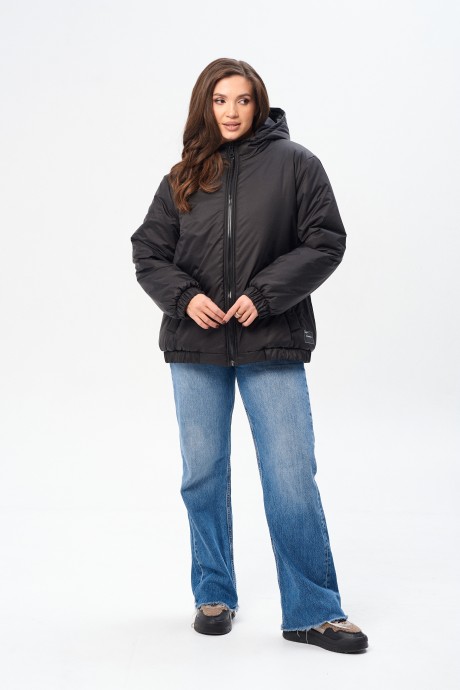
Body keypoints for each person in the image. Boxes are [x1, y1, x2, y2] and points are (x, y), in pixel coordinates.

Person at [130, 57, 368, 654]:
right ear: (204, 106)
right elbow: (148, 252)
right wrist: (185, 298)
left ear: (259, 104)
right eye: (220, 100)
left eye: (242, 100)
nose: (231, 111)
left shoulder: (296, 164)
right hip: (195, 346)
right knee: (202, 475)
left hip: (272, 340)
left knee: (291, 476)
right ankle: (213, 594)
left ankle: (314, 611)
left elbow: (325, 242)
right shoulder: (185, 175)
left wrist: (262, 296)